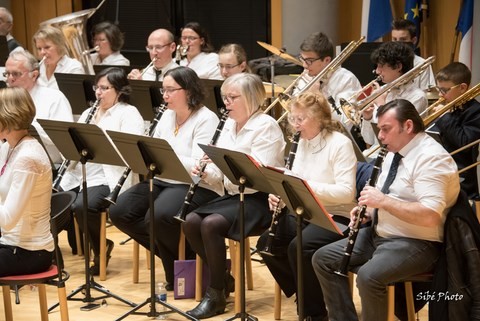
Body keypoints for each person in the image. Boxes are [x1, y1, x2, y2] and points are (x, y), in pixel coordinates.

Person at [312, 99, 460, 321]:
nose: (380, 136)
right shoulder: (394, 151)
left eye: (385, 129)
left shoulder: (432, 159)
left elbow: (430, 216)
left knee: (369, 276)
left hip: (418, 243)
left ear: (407, 126)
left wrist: (383, 202)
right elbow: (388, 195)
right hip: (381, 234)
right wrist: (368, 212)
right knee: (323, 258)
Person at [182, 73, 286, 319]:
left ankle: (216, 293)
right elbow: (223, 178)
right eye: (224, 97)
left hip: (262, 199)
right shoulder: (228, 125)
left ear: (251, 98)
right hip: (234, 195)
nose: (226, 103)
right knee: (191, 221)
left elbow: (259, 177)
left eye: (232, 97)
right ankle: (223, 279)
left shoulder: (266, 127)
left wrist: (226, 168)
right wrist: (207, 172)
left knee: (210, 224)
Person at [109, 66, 222, 289]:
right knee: (119, 211)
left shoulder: (206, 119)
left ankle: (178, 270)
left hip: (195, 185)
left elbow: (199, 165)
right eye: (163, 90)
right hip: (164, 179)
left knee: (158, 216)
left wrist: (165, 155)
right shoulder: (166, 116)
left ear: (188, 91)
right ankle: (181, 257)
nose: (165, 95)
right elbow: (155, 152)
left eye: (171, 90)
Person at [256, 91, 357, 321]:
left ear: (319, 119)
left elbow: (346, 192)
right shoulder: (300, 142)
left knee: (298, 247)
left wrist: (304, 188)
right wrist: (280, 192)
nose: (295, 124)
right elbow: (291, 179)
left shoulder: (339, 144)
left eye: (300, 119)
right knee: (266, 244)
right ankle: (308, 295)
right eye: (293, 118)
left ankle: (313, 313)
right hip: (305, 212)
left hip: (337, 215)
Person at [62, 67, 144, 275]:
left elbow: (130, 150)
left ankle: (100, 249)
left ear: (119, 90)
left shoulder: (129, 113)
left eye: (104, 88)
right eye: (96, 87)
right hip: (83, 174)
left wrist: (99, 142)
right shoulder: (89, 113)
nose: (98, 92)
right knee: (56, 199)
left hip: (110, 176)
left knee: (83, 205)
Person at [0, 87, 54, 276]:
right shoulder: (9, 147)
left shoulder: (27, 158)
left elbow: (7, 220)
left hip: (30, 251)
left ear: (7, 119)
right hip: (9, 243)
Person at [4, 50, 74, 164]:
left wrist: (23, 129)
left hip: (47, 165)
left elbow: (65, 139)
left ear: (34, 75)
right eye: (7, 74)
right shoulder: (5, 99)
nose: (10, 79)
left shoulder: (54, 98)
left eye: (16, 74)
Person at [361, 41, 428, 155]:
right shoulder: (384, 91)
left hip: (400, 156)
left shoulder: (417, 97)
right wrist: (367, 117)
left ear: (398, 66)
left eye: (381, 66)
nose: (377, 71)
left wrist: (381, 106)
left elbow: (397, 138)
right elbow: (369, 140)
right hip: (377, 153)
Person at [433, 62, 480, 198]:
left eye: (445, 90)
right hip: (442, 167)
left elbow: (464, 143)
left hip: (462, 176)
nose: (440, 95)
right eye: (438, 89)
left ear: (462, 88)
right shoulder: (450, 106)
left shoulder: (475, 111)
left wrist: (445, 117)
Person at [294, 32, 362, 120]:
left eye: (309, 61)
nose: (304, 65)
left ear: (327, 60)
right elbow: (294, 107)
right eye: (302, 59)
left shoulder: (346, 79)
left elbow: (343, 120)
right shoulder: (307, 75)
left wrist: (316, 96)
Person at [33, 25, 84, 90]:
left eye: (47, 47)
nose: (42, 52)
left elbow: (76, 96)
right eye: (39, 49)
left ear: (59, 46)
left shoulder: (73, 67)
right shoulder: (38, 68)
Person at [391, 19, 435, 91]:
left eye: (403, 40)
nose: (397, 44)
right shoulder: (384, 64)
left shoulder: (422, 64)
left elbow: (428, 94)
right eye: (394, 39)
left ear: (414, 40)